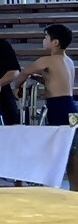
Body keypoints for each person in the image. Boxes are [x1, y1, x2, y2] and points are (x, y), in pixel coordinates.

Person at [15, 24, 77, 189]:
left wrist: (16, 87)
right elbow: (57, 82)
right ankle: (75, 187)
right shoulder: (68, 61)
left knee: (60, 147)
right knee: (73, 147)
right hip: (71, 107)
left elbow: (24, 73)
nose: (43, 41)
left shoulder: (47, 60)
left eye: (45, 37)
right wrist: (40, 79)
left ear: (55, 42)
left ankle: (52, 184)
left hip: (58, 107)